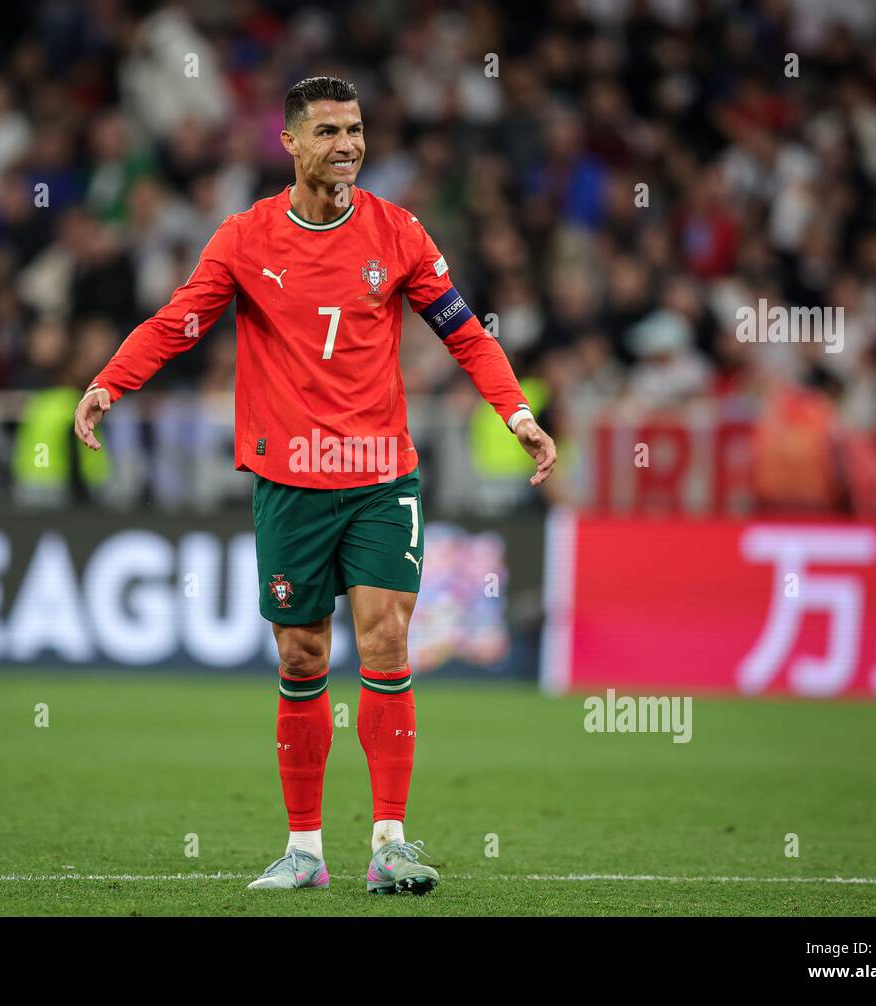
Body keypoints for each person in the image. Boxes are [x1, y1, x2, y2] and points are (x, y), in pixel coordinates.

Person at [74, 77, 556, 895]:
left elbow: (466, 335)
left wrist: (517, 416)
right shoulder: (245, 238)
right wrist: (108, 385)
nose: (348, 145)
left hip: (380, 476)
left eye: (357, 129)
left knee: (387, 641)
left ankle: (392, 843)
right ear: (291, 144)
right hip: (289, 481)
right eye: (329, 131)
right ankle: (304, 852)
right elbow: (176, 323)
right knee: (302, 655)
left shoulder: (398, 233)